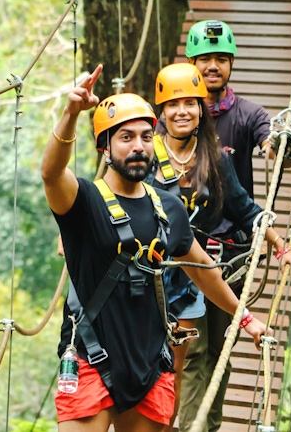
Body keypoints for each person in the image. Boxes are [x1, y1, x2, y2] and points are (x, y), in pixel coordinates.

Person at [41, 64, 272, 432]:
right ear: (105, 146)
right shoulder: (83, 201)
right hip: (91, 357)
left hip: (149, 363)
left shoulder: (169, 207)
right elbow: (52, 173)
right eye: (126, 137)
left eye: (146, 137)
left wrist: (246, 317)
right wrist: (71, 114)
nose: (138, 146)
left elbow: (203, 269)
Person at [148, 62, 291, 432]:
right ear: (162, 113)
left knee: (184, 364)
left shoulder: (215, 158)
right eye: (173, 105)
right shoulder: (145, 154)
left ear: (201, 109)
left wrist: (279, 245)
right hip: (147, 274)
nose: (182, 111)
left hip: (195, 275)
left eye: (190, 104)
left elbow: (244, 208)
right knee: (144, 365)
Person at [182, 19, 291, 199]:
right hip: (186, 222)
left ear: (232, 62)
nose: (213, 66)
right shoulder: (178, 115)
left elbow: (274, 152)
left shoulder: (250, 114)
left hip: (236, 223)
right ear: (191, 63)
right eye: (205, 59)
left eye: (221, 59)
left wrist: (288, 147)